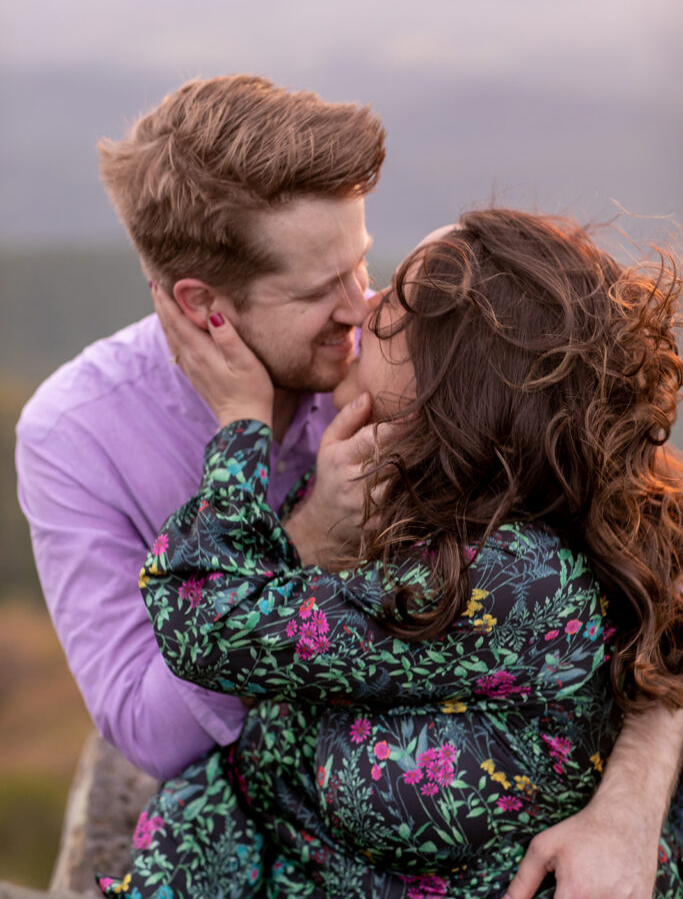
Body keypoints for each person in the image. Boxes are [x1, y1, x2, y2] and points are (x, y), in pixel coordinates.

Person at [14, 75, 681, 897]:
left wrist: (631, 804)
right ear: (204, 306)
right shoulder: (78, 436)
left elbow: (653, 556)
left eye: (363, 266)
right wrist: (311, 536)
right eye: (315, 292)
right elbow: (148, 731)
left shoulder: (444, 391)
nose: (361, 308)